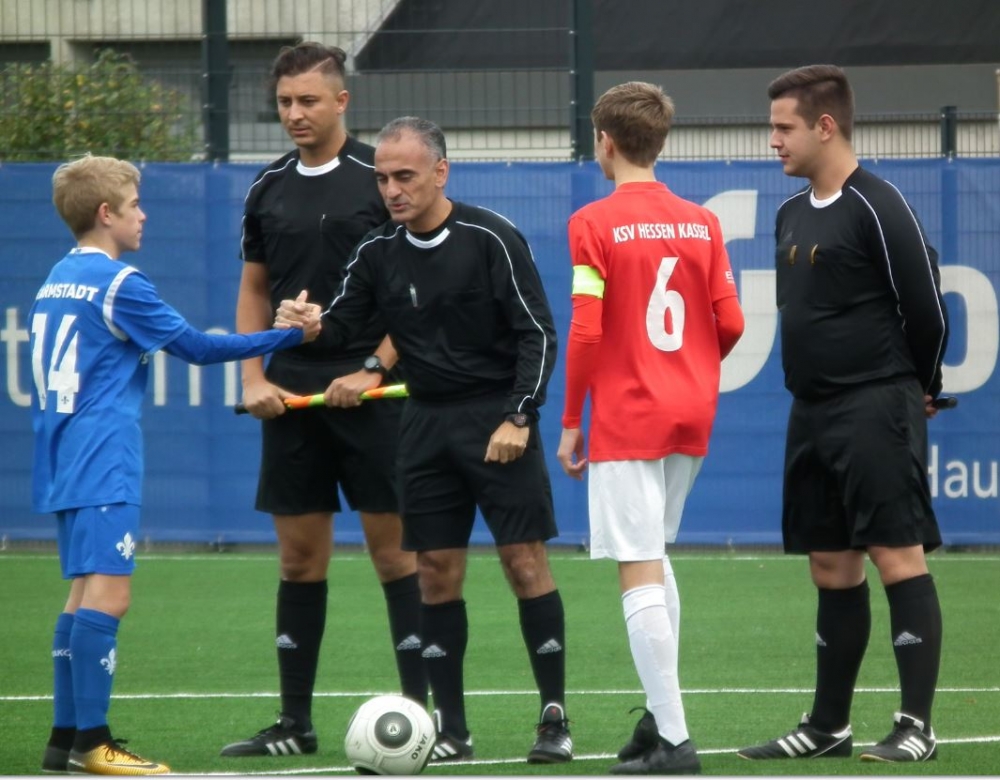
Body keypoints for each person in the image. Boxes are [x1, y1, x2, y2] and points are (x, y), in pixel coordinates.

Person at [275, 116, 573, 765]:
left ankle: (554, 719)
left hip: (496, 420)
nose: (392, 190)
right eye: (383, 178)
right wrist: (308, 323)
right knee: (434, 573)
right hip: (424, 425)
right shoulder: (378, 250)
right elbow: (342, 323)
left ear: (441, 172)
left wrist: (519, 417)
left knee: (524, 563)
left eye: (405, 176)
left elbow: (537, 333)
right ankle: (451, 731)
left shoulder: (491, 237)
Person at [30, 154, 317, 776]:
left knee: (80, 595)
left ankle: (63, 738)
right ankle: (93, 743)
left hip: (60, 453)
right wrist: (289, 336)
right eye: (134, 205)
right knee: (109, 596)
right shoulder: (118, 282)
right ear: (106, 214)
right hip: (103, 455)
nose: (143, 215)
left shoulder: (57, 276)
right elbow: (196, 346)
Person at [220, 43, 427, 758]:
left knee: (395, 558)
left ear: (342, 101)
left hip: (376, 391)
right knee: (300, 561)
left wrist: (373, 369)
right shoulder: (267, 186)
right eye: (284, 102)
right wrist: (253, 379)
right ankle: (294, 725)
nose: (294, 113)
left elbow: (416, 289)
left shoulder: (381, 179)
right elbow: (254, 288)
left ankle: (420, 718)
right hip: (292, 395)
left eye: (308, 100)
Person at [737, 64, 948, 763]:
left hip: (876, 404)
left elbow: (927, 310)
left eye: (784, 127)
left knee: (895, 554)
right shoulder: (789, 212)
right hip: (812, 410)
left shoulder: (878, 205)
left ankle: (916, 726)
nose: (773, 140)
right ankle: (828, 726)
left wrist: (920, 384)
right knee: (830, 563)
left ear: (825, 126)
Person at [555, 82, 744, 775]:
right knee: (655, 556)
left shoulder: (593, 222)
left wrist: (571, 420)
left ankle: (675, 741)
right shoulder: (702, 222)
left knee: (636, 568)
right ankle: (659, 723)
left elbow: (585, 331)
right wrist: (691, 369)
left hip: (629, 413)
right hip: (690, 408)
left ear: (605, 142)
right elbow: (731, 322)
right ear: (658, 142)